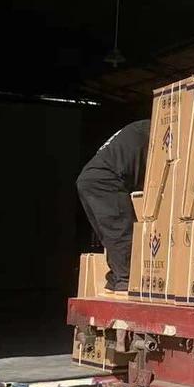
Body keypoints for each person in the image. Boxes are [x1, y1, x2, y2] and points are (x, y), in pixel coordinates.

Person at [76, 120, 150, 292]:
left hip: (90, 179)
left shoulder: (140, 127)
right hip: (106, 180)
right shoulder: (157, 130)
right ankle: (126, 282)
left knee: (111, 236)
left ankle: (115, 279)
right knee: (122, 233)